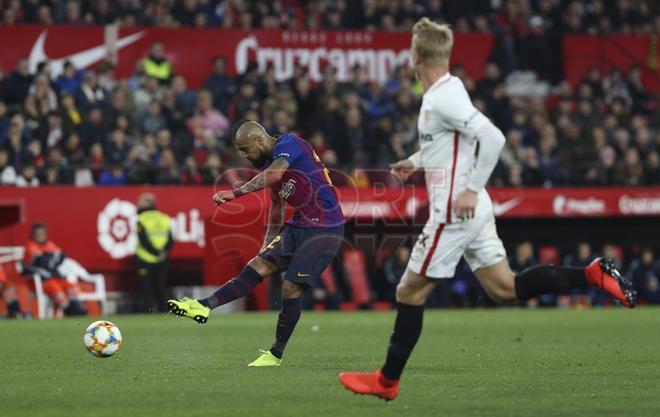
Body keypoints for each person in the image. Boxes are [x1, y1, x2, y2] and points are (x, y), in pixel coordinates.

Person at [338, 17, 636, 401]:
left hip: (454, 210)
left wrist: (470, 189)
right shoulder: (450, 89)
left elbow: (493, 138)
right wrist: (415, 161)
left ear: (414, 56)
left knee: (409, 290)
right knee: (504, 288)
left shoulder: (442, 97)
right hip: (472, 209)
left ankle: (387, 381)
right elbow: (449, 144)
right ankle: (592, 274)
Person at [167, 120, 344, 366]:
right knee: (256, 266)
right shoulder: (276, 167)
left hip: (325, 226)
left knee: (290, 286)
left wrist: (235, 193)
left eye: (245, 149)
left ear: (260, 140)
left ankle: (275, 354)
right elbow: (277, 209)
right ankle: (203, 306)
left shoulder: (290, 144)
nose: (244, 156)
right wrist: (266, 245)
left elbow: (274, 174)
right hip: (300, 224)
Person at [23, 222, 87, 316]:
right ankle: (68, 310)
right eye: (38, 234)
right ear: (33, 235)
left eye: (42, 233)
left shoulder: (49, 244)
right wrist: (51, 257)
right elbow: (40, 261)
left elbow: (62, 255)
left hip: (54, 277)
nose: (41, 236)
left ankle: (75, 306)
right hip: (39, 281)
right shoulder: (31, 246)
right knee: (55, 288)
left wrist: (49, 257)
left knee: (70, 285)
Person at [135, 193, 173, 313]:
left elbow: (143, 240)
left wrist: (155, 252)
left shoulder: (141, 219)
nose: (138, 203)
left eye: (141, 201)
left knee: (147, 289)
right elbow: (171, 239)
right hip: (162, 259)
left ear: (147, 203)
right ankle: (162, 311)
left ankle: (148, 312)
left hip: (145, 258)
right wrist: (163, 252)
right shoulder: (164, 218)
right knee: (160, 287)